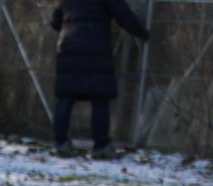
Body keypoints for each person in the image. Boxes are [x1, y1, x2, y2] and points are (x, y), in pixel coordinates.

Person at [50, 0, 149, 158]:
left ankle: (60, 143)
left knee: (66, 96)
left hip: (68, 46)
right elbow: (124, 17)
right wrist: (143, 33)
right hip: (96, 48)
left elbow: (55, 21)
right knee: (99, 98)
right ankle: (101, 145)